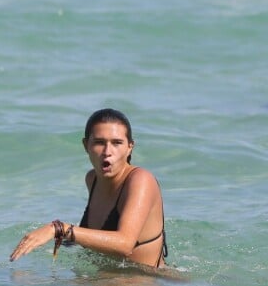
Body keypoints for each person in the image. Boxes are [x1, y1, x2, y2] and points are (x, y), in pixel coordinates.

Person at [10, 108, 170, 269]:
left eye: (117, 143)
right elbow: (89, 240)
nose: (107, 152)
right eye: (99, 142)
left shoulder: (141, 180)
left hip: (143, 285)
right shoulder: (92, 179)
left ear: (130, 147)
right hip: (104, 283)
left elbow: (125, 244)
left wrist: (58, 229)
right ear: (86, 145)